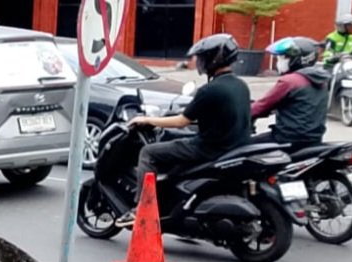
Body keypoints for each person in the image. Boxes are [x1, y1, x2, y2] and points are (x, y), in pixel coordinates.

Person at [121, 34, 251, 226]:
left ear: (213, 59)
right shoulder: (241, 86)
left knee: (148, 152)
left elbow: (182, 121)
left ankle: (141, 208)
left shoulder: (210, 89)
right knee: (175, 138)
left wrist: (148, 119)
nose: (198, 62)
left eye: (201, 57)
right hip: (231, 144)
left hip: (209, 149)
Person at [250, 36, 329, 148]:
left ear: (298, 59)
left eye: (283, 58)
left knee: (244, 148)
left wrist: (242, 113)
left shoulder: (290, 81)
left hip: (287, 139)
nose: (279, 62)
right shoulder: (321, 80)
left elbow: (262, 106)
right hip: (314, 139)